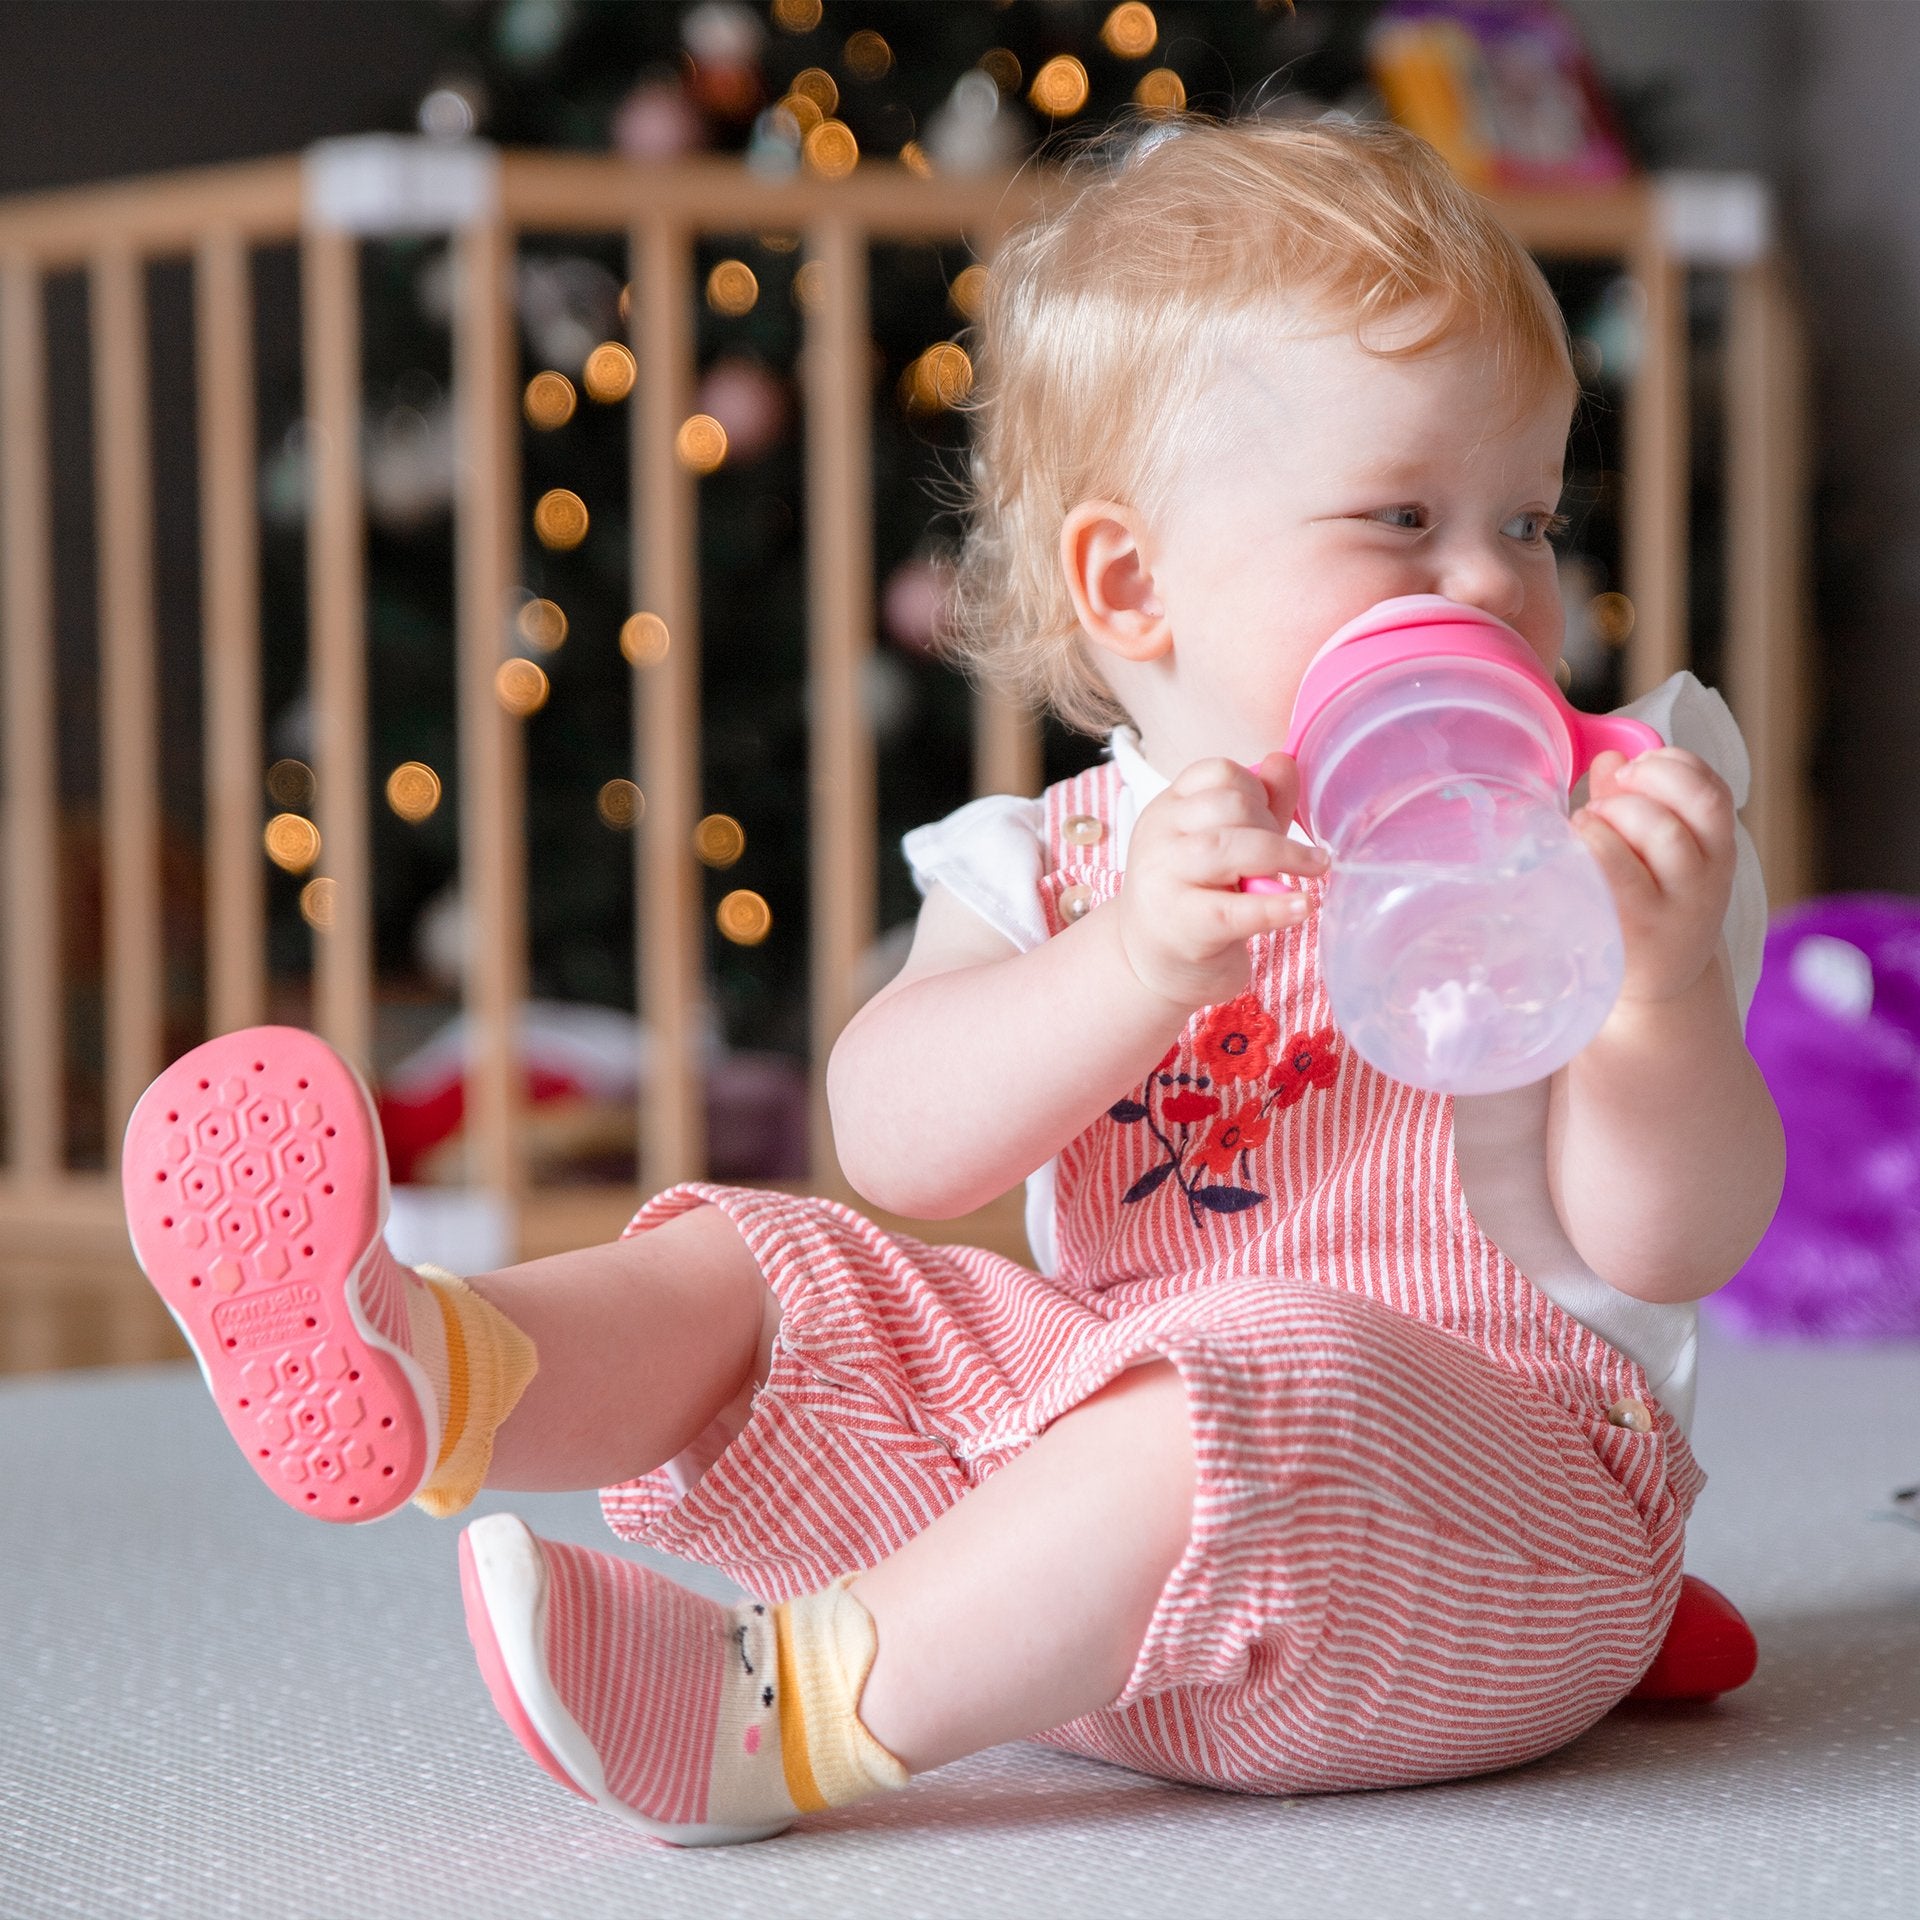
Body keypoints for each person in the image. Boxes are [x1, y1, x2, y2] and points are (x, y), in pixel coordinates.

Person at [120, 116, 1783, 1848]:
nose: (1497, 582)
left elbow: (1675, 1242)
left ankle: (794, 1706)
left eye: (1527, 513)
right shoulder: (1052, 858)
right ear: (1131, 584)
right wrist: (1133, 964)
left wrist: (1653, 996)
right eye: (1404, 519)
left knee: (1263, 1360)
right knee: (773, 1263)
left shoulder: (1591, 836)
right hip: (1118, 1561)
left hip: (1510, 1530)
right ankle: (437, 1365)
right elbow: (898, 1145)